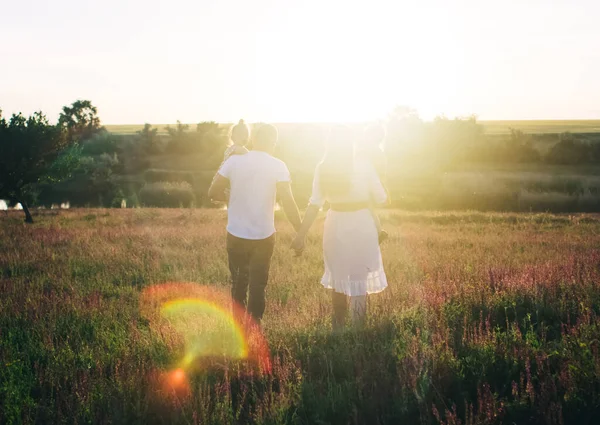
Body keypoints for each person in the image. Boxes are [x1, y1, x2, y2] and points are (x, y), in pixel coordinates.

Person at [291, 125, 388, 329]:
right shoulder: (364, 164)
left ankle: (339, 327)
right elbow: (381, 197)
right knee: (359, 279)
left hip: (335, 225)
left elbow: (314, 204)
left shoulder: (323, 167)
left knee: (338, 278)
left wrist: (301, 235)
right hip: (363, 224)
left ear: (329, 143)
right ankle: (357, 328)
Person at [209, 124, 302, 323]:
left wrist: (232, 198)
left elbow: (212, 192)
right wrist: (300, 232)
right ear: (273, 143)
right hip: (264, 236)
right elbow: (288, 201)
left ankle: (238, 327)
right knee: (258, 285)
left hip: (236, 234)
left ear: (253, 140)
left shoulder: (234, 161)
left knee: (238, 283)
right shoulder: (278, 165)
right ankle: (255, 328)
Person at [360, 123, 388, 243]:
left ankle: (378, 232)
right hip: (373, 184)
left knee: (367, 208)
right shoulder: (378, 151)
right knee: (369, 209)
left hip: (368, 185)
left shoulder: (369, 150)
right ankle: (377, 231)